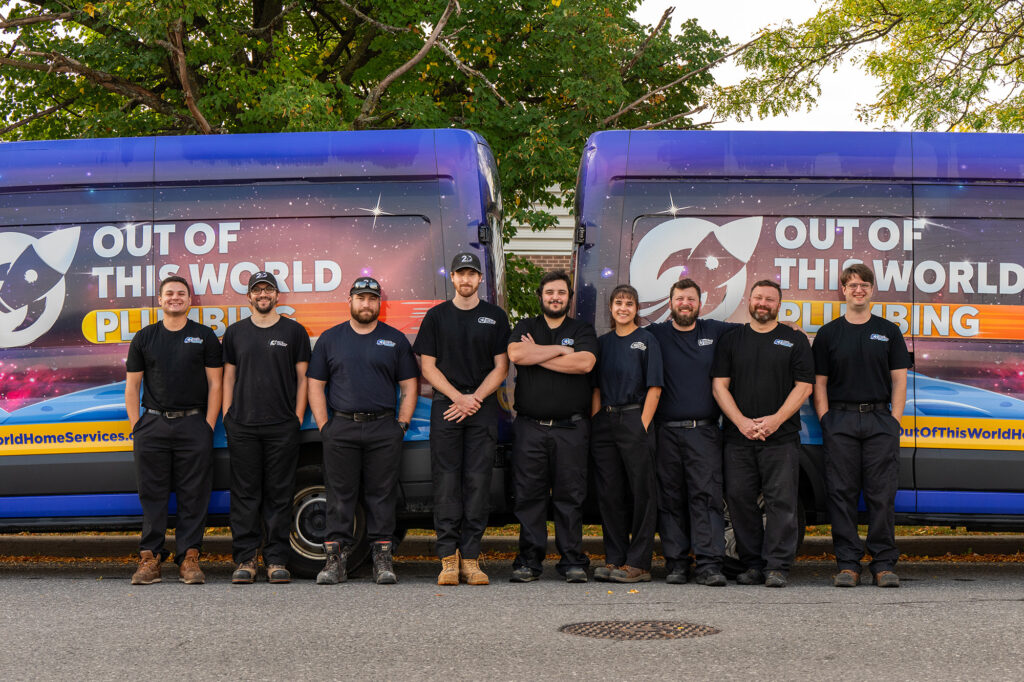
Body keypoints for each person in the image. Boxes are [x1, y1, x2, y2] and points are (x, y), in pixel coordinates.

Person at [307, 277, 418, 585]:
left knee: (381, 495)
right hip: (340, 427)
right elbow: (315, 385)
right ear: (350, 301)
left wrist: (401, 426)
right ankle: (335, 562)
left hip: (384, 428)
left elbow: (409, 386)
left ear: (379, 303)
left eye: (372, 298)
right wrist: (324, 427)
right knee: (340, 496)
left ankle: (382, 560)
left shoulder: (394, 340)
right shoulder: (330, 339)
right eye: (361, 298)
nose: (366, 304)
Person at [413, 252, 510, 586]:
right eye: (460, 274)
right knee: (446, 482)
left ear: (480, 279)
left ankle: (471, 558)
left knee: (478, 482)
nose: (466, 280)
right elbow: (427, 367)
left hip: (481, 406)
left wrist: (475, 399)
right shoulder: (437, 317)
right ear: (452, 279)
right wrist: (458, 398)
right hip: (448, 407)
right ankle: (448, 560)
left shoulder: (495, 316)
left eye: (472, 274)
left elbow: (501, 367)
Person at [812, 263, 911, 588]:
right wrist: (826, 418)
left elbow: (899, 380)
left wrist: (893, 421)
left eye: (864, 284)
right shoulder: (828, 334)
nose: (858, 289)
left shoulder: (889, 331)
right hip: (839, 421)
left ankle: (883, 564)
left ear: (871, 290)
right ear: (843, 289)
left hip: (880, 421)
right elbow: (820, 383)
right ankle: (848, 564)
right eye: (852, 284)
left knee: (882, 494)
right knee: (841, 494)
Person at [711, 280, 813, 588]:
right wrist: (741, 421)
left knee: (781, 502)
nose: (763, 303)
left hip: (780, 438)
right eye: (758, 298)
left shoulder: (794, 340)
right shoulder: (732, 339)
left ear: (778, 305)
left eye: (770, 299)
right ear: (749, 301)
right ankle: (752, 564)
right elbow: (719, 386)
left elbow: (804, 386)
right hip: (737, 437)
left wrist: (775, 421)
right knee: (740, 501)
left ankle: (777, 566)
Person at [124, 275, 222, 585]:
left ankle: (189, 558)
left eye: (181, 293)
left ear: (190, 300)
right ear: (160, 299)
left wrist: (208, 424)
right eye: (169, 294)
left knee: (194, 494)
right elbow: (132, 386)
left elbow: (216, 383)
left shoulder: (204, 337)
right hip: (152, 425)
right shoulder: (144, 337)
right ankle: (149, 559)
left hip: (194, 423)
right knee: (151, 494)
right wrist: (137, 426)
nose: (175, 298)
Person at [507, 270, 597, 583]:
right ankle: (529, 561)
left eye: (561, 293)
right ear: (541, 296)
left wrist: (537, 355)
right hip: (530, 427)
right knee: (528, 495)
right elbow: (517, 353)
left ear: (569, 298)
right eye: (550, 292)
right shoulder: (526, 326)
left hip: (570, 429)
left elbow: (585, 363)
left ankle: (572, 560)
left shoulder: (582, 328)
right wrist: (560, 350)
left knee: (569, 496)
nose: (555, 297)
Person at [647, 278, 738, 586]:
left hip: (705, 433)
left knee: (707, 497)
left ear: (700, 303)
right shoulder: (655, 335)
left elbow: (755, 334)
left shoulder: (715, 331)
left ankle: (710, 564)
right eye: (679, 298)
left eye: (690, 299)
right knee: (670, 499)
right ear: (670, 303)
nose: (685, 303)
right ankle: (676, 563)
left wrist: (788, 326)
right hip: (666, 433)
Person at [221, 271, 310, 584]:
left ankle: (275, 560)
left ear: (276, 296)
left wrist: (297, 416)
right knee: (245, 495)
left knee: (279, 495)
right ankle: (245, 559)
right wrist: (227, 414)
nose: (262, 295)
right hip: (242, 425)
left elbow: (303, 378)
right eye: (257, 290)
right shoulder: (235, 333)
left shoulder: (294, 331)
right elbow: (228, 377)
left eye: (268, 290)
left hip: (282, 426)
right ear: (249, 297)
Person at [590, 284, 662, 583]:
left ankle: (639, 564)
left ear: (636, 309)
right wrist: (596, 419)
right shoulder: (603, 343)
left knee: (642, 493)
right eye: (618, 302)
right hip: (605, 422)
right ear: (611, 307)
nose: (623, 308)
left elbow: (655, 387)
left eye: (629, 303)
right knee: (610, 494)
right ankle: (616, 558)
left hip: (635, 418)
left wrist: (643, 423)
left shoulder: (647, 341)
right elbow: (595, 387)